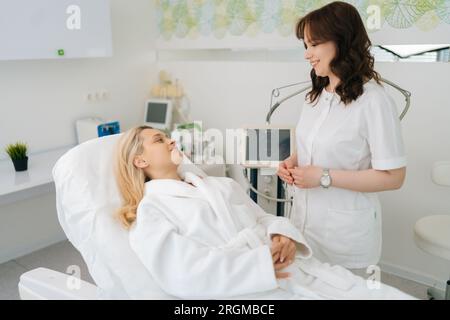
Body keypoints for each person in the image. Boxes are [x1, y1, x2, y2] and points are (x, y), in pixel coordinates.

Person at [114, 125, 411, 299]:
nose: (171, 140)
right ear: (140, 162)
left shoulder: (219, 184)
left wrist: (281, 233)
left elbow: (264, 217)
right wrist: (257, 266)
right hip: (251, 289)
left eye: (166, 136)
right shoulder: (151, 211)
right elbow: (180, 272)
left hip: (294, 268)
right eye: (159, 140)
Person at [277, 1, 407, 271]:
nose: (307, 54)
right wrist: (292, 161)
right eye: (305, 46)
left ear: (342, 40)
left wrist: (323, 177)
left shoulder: (375, 101)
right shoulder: (314, 97)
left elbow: (394, 177)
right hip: (304, 225)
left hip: (345, 238)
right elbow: (314, 145)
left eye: (314, 44)